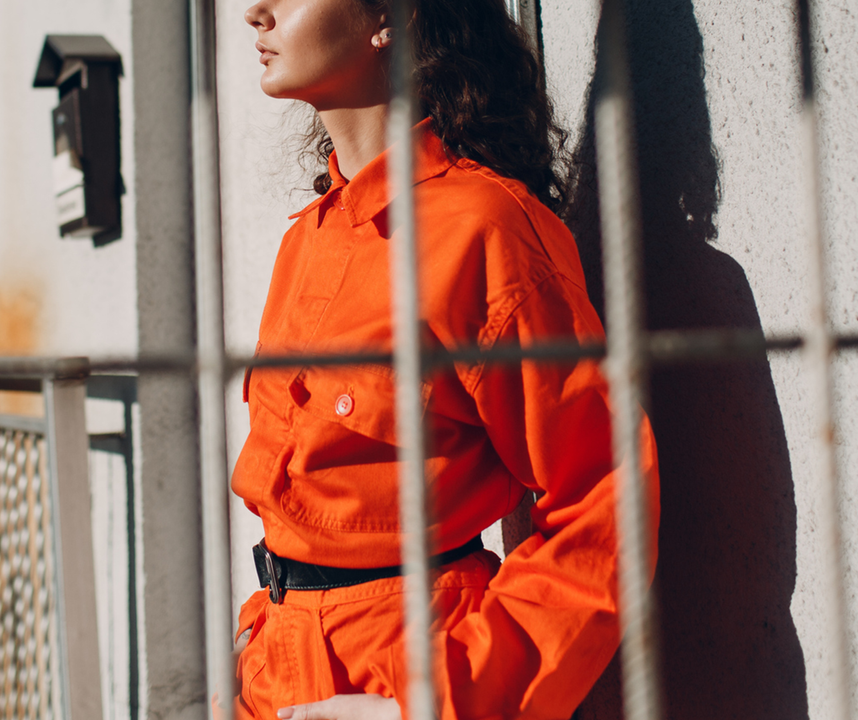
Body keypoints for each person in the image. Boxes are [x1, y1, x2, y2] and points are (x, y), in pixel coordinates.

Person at [231, 0, 661, 718]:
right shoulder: (307, 239)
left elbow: (606, 505)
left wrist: (429, 705)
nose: (257, 12)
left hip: (402, 672)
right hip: (274, 670)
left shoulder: (486, 232)